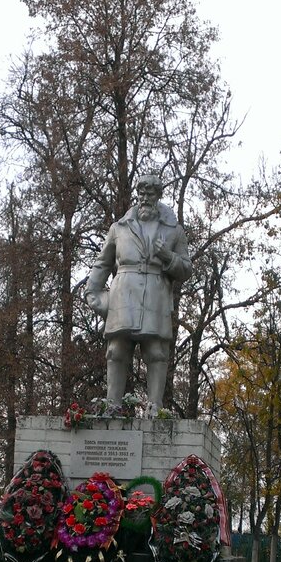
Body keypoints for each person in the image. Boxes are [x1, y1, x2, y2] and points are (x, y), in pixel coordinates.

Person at [85, 173, 192, 414]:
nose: (145, 198)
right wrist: (92, 292)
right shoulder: (119, 228)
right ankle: (111, 407)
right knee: (116, 351)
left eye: (150, 194)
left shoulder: (174, 231)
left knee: (156, 352)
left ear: (158, 196)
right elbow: (103, 263)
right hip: (123, 294)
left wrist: (168, 256)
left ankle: (156, 408)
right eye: (141, 194)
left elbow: (186, 269)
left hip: (156, 295)